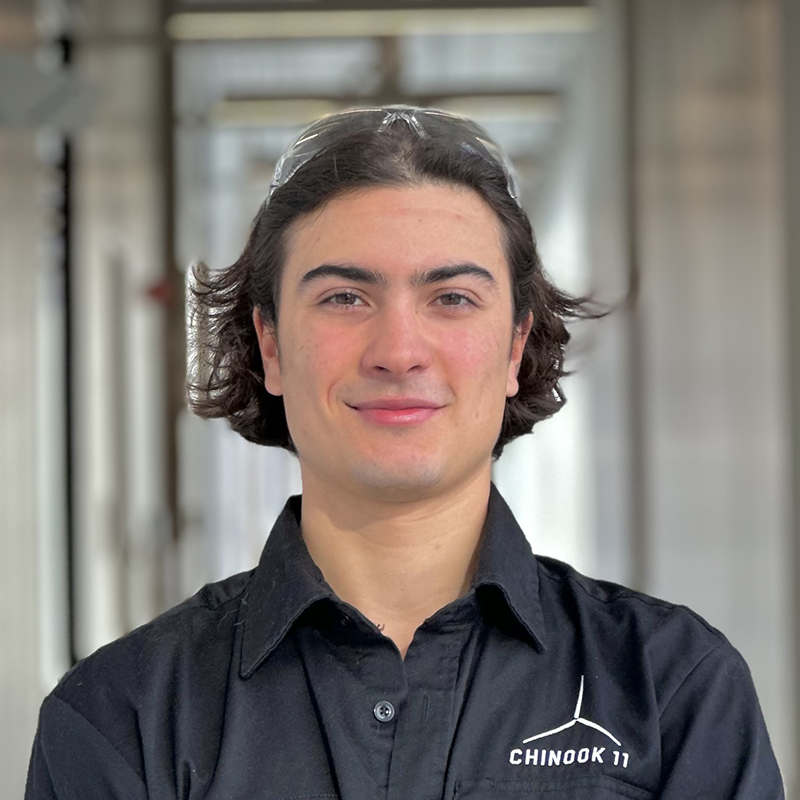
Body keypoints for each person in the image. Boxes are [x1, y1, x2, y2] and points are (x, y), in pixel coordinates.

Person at [26, 106, 784, 799]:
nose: (398, 351)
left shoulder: (671, 686)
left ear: (516, 345)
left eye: (451, 297)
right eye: (344, 298)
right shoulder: (122, 715)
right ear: (272, 345)